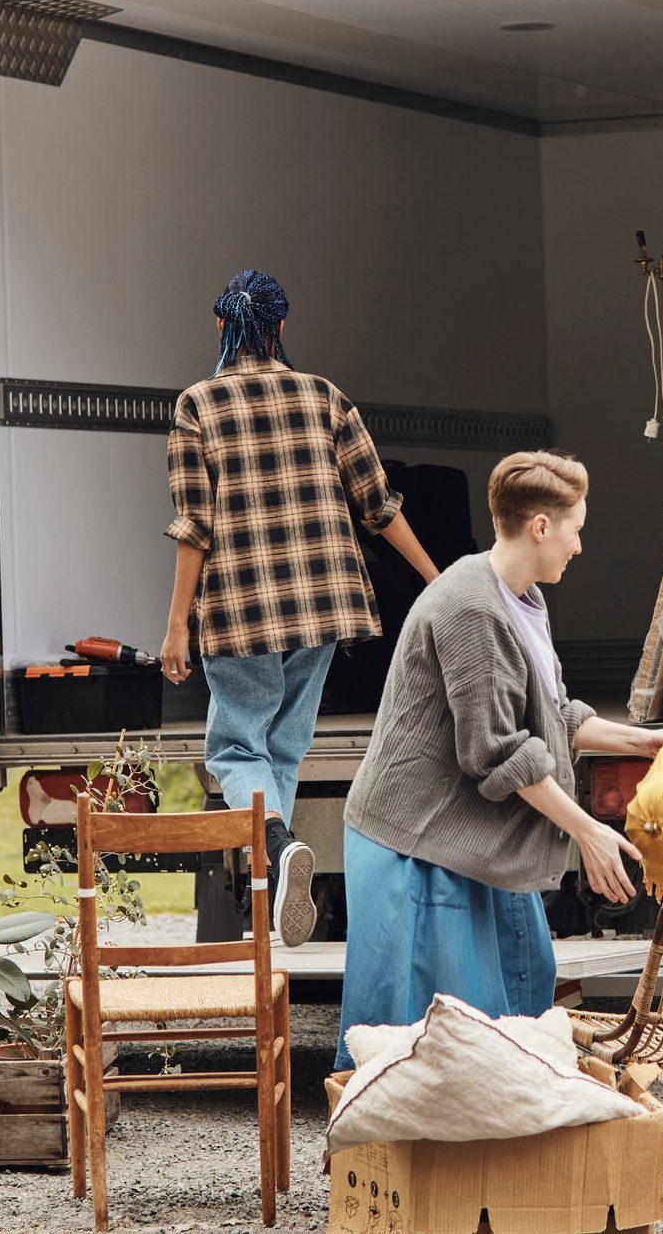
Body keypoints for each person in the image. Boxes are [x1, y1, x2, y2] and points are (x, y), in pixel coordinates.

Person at [335, 451, 663, 1068]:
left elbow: (550, 715)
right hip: (416, 847)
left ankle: (500, 1158)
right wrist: (586, 831)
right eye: (576, 529)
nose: (580, 546)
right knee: (431, 1052)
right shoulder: (472, 608)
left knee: (518, 1008)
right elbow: (496, 752)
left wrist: (645, 741)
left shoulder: (521, 597)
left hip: (471, 841)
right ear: (541, 527)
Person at [160, 269, 440, 948]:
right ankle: (275, 867)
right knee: (283, 745)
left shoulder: (198, 404)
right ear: (280, 328)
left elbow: (194, 525)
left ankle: (278, 844)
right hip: (323, 601)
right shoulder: (324, 396)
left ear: (222, 328)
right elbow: (378, 506)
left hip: (239, 609)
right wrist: (439, 579)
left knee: (235, 747)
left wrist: (176, 625)